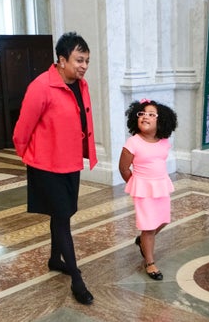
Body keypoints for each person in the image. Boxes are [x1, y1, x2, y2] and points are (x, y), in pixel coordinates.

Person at [12, 32, 97, 305]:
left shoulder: (80, 85)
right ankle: (76, 278)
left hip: (70, 163)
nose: (83, 66)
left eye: (86, 60)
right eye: (78, 60)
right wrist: (29, 156)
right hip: (47, 165)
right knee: (62, 218)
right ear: (61, 60)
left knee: (63, 215)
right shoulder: (41, 87)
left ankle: (53, 259)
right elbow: (22, 128)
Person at [118, 99, 178, 280]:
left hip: (160, 186)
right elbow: (123, 168)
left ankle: (142, 240)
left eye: (151, 114)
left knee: (164, 220)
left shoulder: (164, 142)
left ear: (162, 121)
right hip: (143, 190)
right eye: (142, 113)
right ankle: (150, 262)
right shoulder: (133, 143)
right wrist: (137, 184)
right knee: (149, 227)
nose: (145, 117)